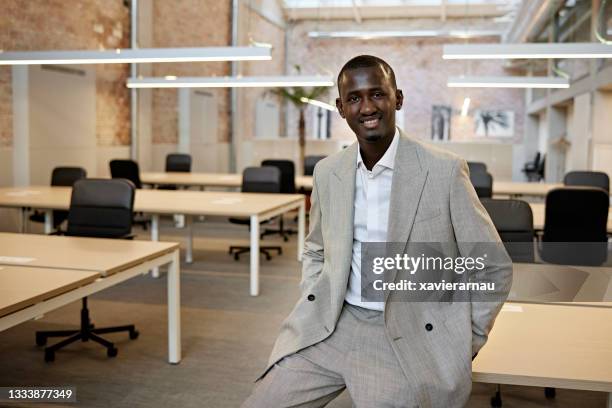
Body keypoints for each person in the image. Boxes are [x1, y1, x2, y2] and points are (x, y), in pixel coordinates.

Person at [242, 55, 512, 408]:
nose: (367, 106)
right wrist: (314, 293)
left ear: (397, 98)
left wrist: (465, 338)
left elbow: (491, 266)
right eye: (354, 98)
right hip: (332, 324)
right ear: (341, 108)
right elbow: (315, 249)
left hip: (403, 330)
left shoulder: (443, 171)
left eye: (377, 94)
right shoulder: (328, 172)